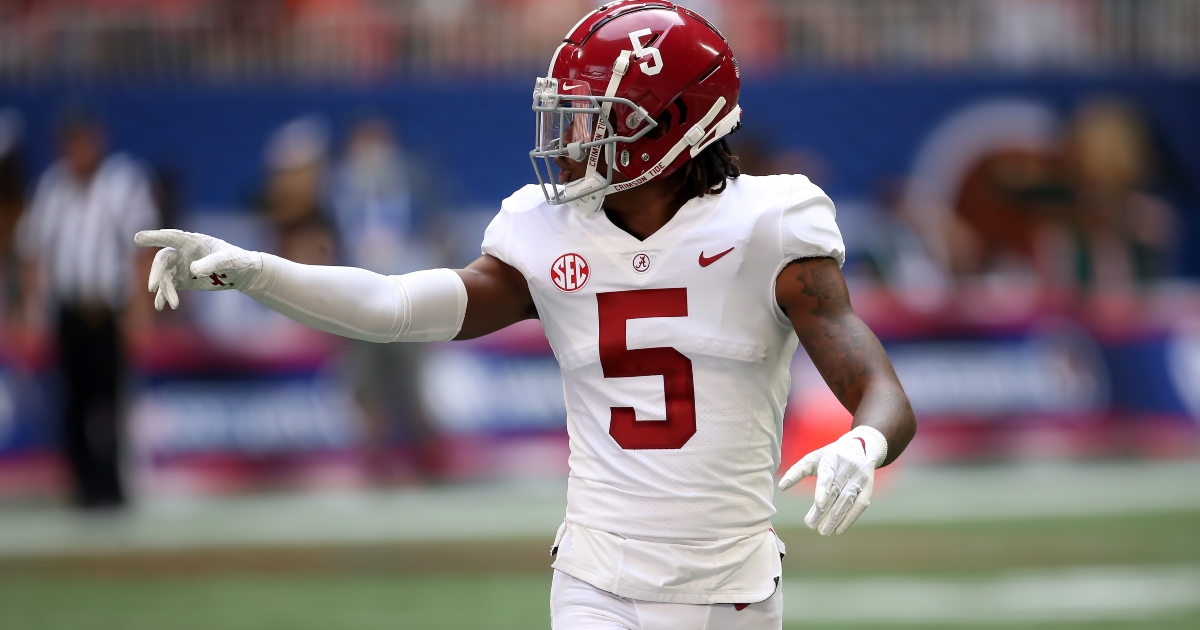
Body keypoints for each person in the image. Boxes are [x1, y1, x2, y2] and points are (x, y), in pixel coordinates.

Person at [135, 2, 916, 628]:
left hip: (731, 586)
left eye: (596, 117)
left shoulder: (769, 225)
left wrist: (867, 440)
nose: (572, 137)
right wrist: (256, 270)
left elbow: (878, 387)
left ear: (673, 126)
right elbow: (397, 305)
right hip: (596, 579)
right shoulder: (545, 230)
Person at [20, 111, 159, 509]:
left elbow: (142, 251)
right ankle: (80, 485)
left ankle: (112, 485)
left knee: (110, 400)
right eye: (71, 143)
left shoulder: (122, 184)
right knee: (72, 401)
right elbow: (33, 252)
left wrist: (139, 308)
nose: (78, 151)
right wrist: (32, 310)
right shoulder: (52, 187)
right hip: (67, 312)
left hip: (106, 311)